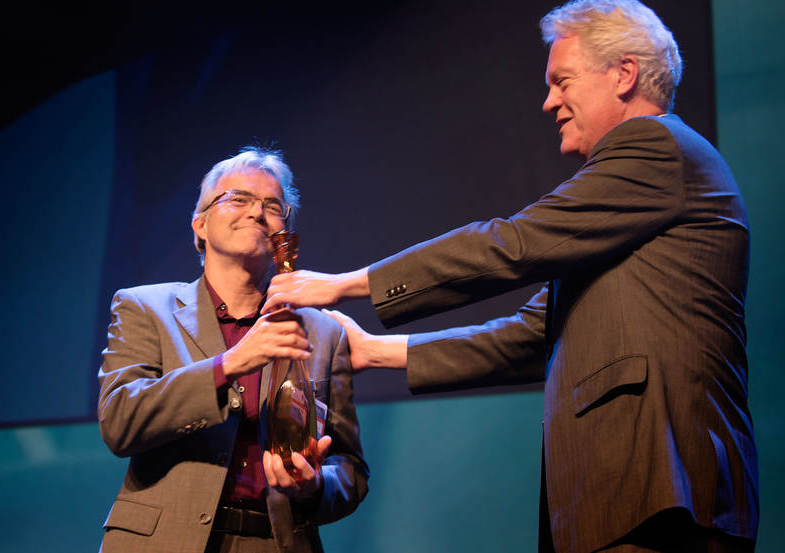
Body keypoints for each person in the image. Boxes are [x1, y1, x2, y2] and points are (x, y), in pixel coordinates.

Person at [262, 1, 758, 552]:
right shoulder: (633, 202)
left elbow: (511, 244)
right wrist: (375, 351)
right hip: (627, 499)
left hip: (663, 492)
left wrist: (344, 283)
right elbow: (529, 336)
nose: (548, 102)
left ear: (624, 74)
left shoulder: (654, 148)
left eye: (561, 81)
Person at [97, 147, 368, 553]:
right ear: (200, 224)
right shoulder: (145, 308)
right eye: (238, 198)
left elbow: (351, 471)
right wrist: (231, 364)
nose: (257, 212)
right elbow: (120, 422)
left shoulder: (324, 333)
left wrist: (314, 485)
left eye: (273, 206)